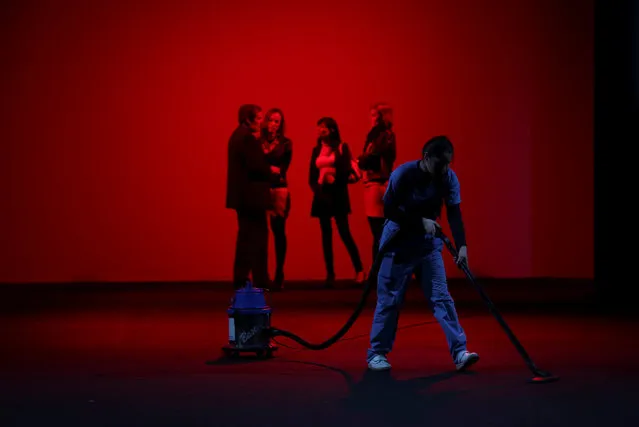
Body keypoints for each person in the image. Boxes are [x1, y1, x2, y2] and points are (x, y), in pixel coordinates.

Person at [366, 135, 479, 371]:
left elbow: (454, 213)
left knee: (442, 298)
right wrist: (420, 223)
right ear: (426, 158)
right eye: (441, 163)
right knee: (390, 299)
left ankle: (459, 352)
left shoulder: (448, 178)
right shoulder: (404, 175)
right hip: (397, 245)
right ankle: (376, 353)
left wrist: (462, 246)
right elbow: (389, 209)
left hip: (427, 247)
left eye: (449, 163)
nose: (445, 169)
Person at [225, 104, 279, 290]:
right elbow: (256, 167)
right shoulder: (247, 139)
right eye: (258, 118)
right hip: (252, 197)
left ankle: (242, 278)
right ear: (248, 119)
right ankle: (260, 279)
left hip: (243, 198)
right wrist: (271, 170)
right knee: (258, 238)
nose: (261, 122)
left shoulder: (236, 136)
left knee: (246, 238)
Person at [308, 117, 365, 288]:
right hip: (322, 195)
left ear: (332, 129)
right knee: (326, 235)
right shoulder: (316, 149)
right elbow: (311, 174)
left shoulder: (341, 147)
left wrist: (334, 178)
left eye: (324, 127)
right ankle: (330, 274)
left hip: (338, 194)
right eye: (319, 127)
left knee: (344, 232)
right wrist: (317, 187)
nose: (320, 130)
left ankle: (359, 270)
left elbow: (345, 169)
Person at [358, 102, 397, 263]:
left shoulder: (376, 136)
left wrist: (361, 160)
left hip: (374, 184)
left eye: (375, 115)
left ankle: (379, 272)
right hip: (386, 183)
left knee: (378, 232)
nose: (372, 119)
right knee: (383, 231)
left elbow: (369, 160)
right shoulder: (390, 135)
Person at [260, 108, 292, 291]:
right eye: (271, 120)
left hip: (279, 190)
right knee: (261, 232)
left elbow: (282, 168)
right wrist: (268, 168)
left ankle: (279, 272)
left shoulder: (286, 143)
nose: (273, 124)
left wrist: (268, 166)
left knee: (279, 231)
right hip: (262, 188)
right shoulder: (258, 142)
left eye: (277, 121)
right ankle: (262, 275)